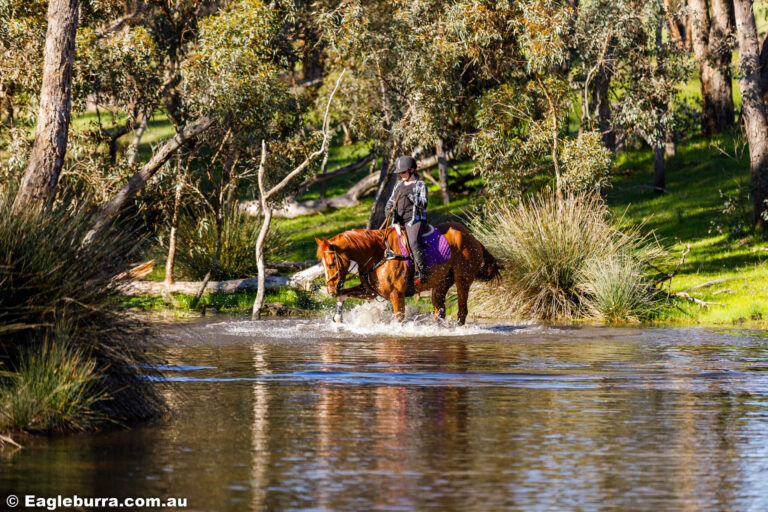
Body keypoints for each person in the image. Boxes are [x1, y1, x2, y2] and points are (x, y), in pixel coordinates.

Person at [385, 155, 429, 285]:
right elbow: (390, 201)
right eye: (400, 173)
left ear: (412, 170)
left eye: (403, 172)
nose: (401, 175)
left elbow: (424, 203)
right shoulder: (398, 185)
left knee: (414, 242)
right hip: (398, 222)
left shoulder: (420, 185)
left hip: (414, 221)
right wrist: (388, 210)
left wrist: (413, 197)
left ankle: (422, 273)